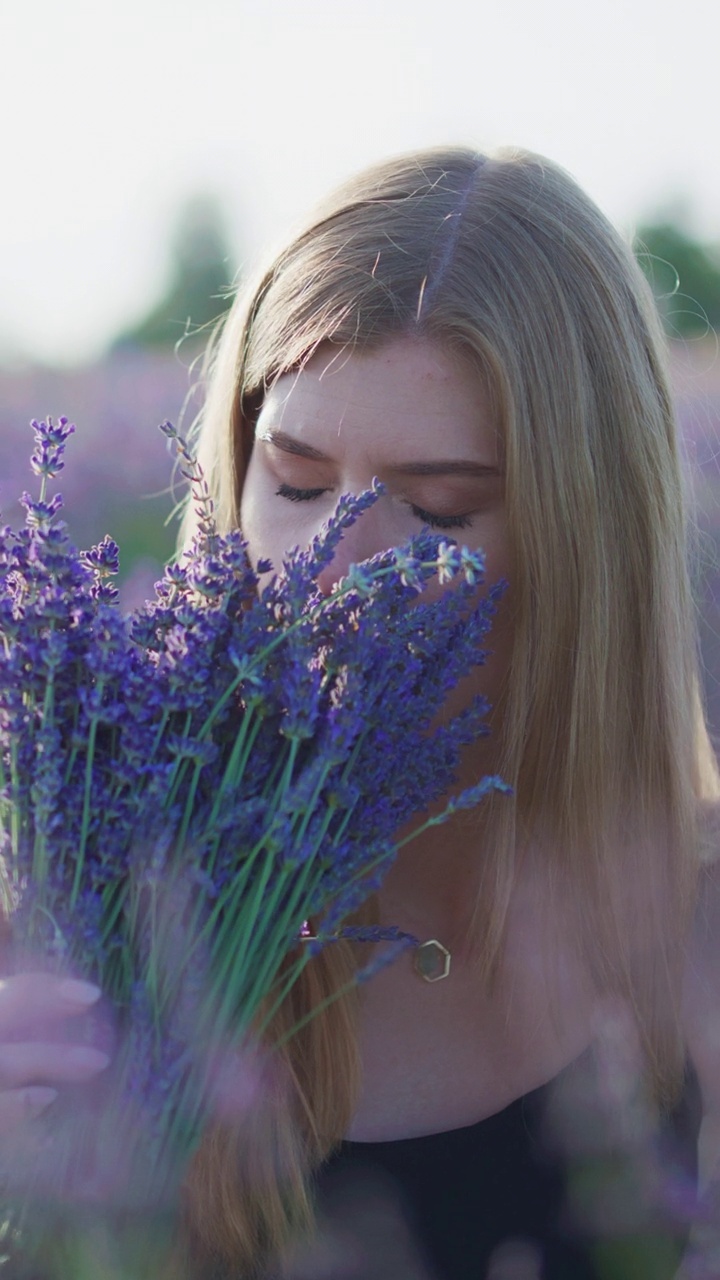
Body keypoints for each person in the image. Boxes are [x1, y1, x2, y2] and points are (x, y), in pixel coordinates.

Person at [1, 145, 719, 1280]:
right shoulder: (93, 909)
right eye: (292, 480)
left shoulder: (696, 936)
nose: (332, 568)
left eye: (436, 510)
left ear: (588, 549)